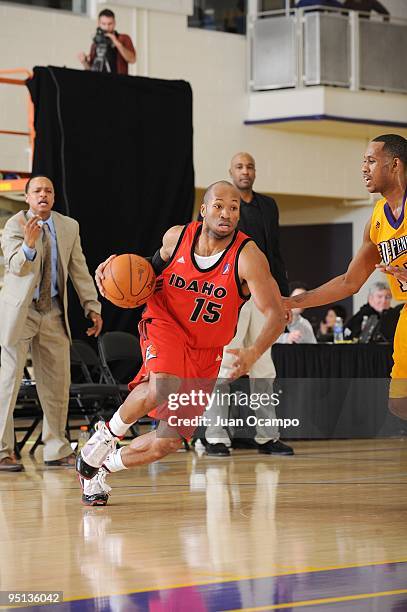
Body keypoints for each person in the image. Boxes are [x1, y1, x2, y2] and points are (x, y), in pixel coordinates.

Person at [76, 181, 286, 506]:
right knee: (162, 386)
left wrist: (253, 351)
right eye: (218, 205)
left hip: (207, 350)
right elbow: (146, 270)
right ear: (204, 210)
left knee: (168, 443)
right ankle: (105, 435)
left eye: (233, 208)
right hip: (165, 323)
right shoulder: (177, 237)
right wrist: (113, 274)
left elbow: (275, 314)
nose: (226, 213)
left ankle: (101, 466)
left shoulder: (248, 258)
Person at [285, 134, 407, 422]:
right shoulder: (377, 219)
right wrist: (290, 302)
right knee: (398, 404)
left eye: (371, 161)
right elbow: (349, 283)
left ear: (395, 164)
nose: (364, 168)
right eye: (362, 162)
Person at [0, 176, 103, 472]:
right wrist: (29, 246)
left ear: (54, 197)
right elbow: (16, 267)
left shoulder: (69, 226)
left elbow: (79, 270)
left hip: (52, 311)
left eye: (48, 191)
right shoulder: (14, 225)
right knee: (9, 381)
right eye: (37, 191)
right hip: (20, 312)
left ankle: (56, 448)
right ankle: (3, 450)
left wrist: (91, 306)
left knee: (58, 382)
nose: (43, 195)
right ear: (27, 197)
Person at [203, 152, 293, 457]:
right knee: (225, 366)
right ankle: (215, 436)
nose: (245, 171)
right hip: (229, 295)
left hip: (263, 295)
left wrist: (284, 295)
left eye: (250, 166)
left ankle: (267, 437)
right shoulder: (218, 209)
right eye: (239, 166)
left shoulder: (268, 206)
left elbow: (276, 252)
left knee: (263, 367)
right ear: (230, 171)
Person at [78, 9, 136, 75]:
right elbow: (91, 70)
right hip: (98, 82)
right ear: (99, 24)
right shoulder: (95, 44)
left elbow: (132, 59)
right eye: (104, 24)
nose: (107, 27)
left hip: (117, 82)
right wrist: (84, 62)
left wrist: (116, 42)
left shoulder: (123, 38)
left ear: (114, 23)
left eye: (110, 24)